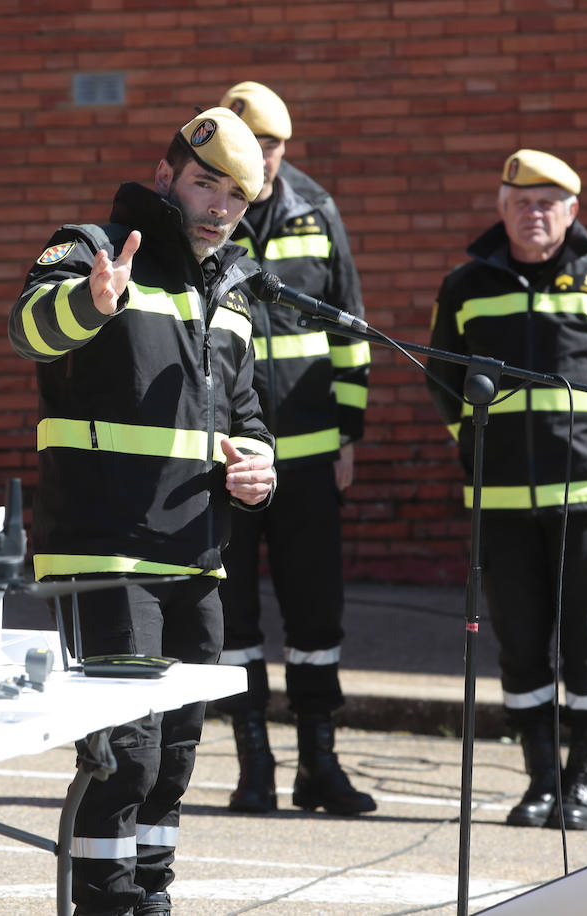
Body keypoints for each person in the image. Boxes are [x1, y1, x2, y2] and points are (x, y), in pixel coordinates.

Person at [9, 107, 277, 916]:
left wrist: (261, 465)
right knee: (124, 756)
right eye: (204, 185)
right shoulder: (91, 247)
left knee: (176, 759)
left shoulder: (230, 288)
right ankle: (104, 903)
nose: (218, 208)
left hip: (195, 554)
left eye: (236, 197)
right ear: (165, 177)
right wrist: (91, 304)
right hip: (104, 550)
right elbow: (28, 331)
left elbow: (245, 412)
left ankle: (151, 899)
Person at [426, 149, 587, 831]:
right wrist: (480, 450)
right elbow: (442, 384)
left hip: (585, 502)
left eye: (550, 201)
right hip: (497, 505)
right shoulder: (465, 286)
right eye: (523, 201)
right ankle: (539, 782)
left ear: (572, 211)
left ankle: (586, 783)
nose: (536, 213)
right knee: (521, 644)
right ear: (501, 208)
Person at [211, 81, 376, 817]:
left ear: (286, 147)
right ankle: (255, 765)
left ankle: (319, 762)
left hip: (309, 454)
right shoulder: (209, 213)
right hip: (227, 458)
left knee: (315, 614)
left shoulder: (317, 208)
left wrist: (349, 436)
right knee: (234, 615)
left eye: (273, 145)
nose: (263, 158)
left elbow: (351, 330)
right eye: (252, 145)